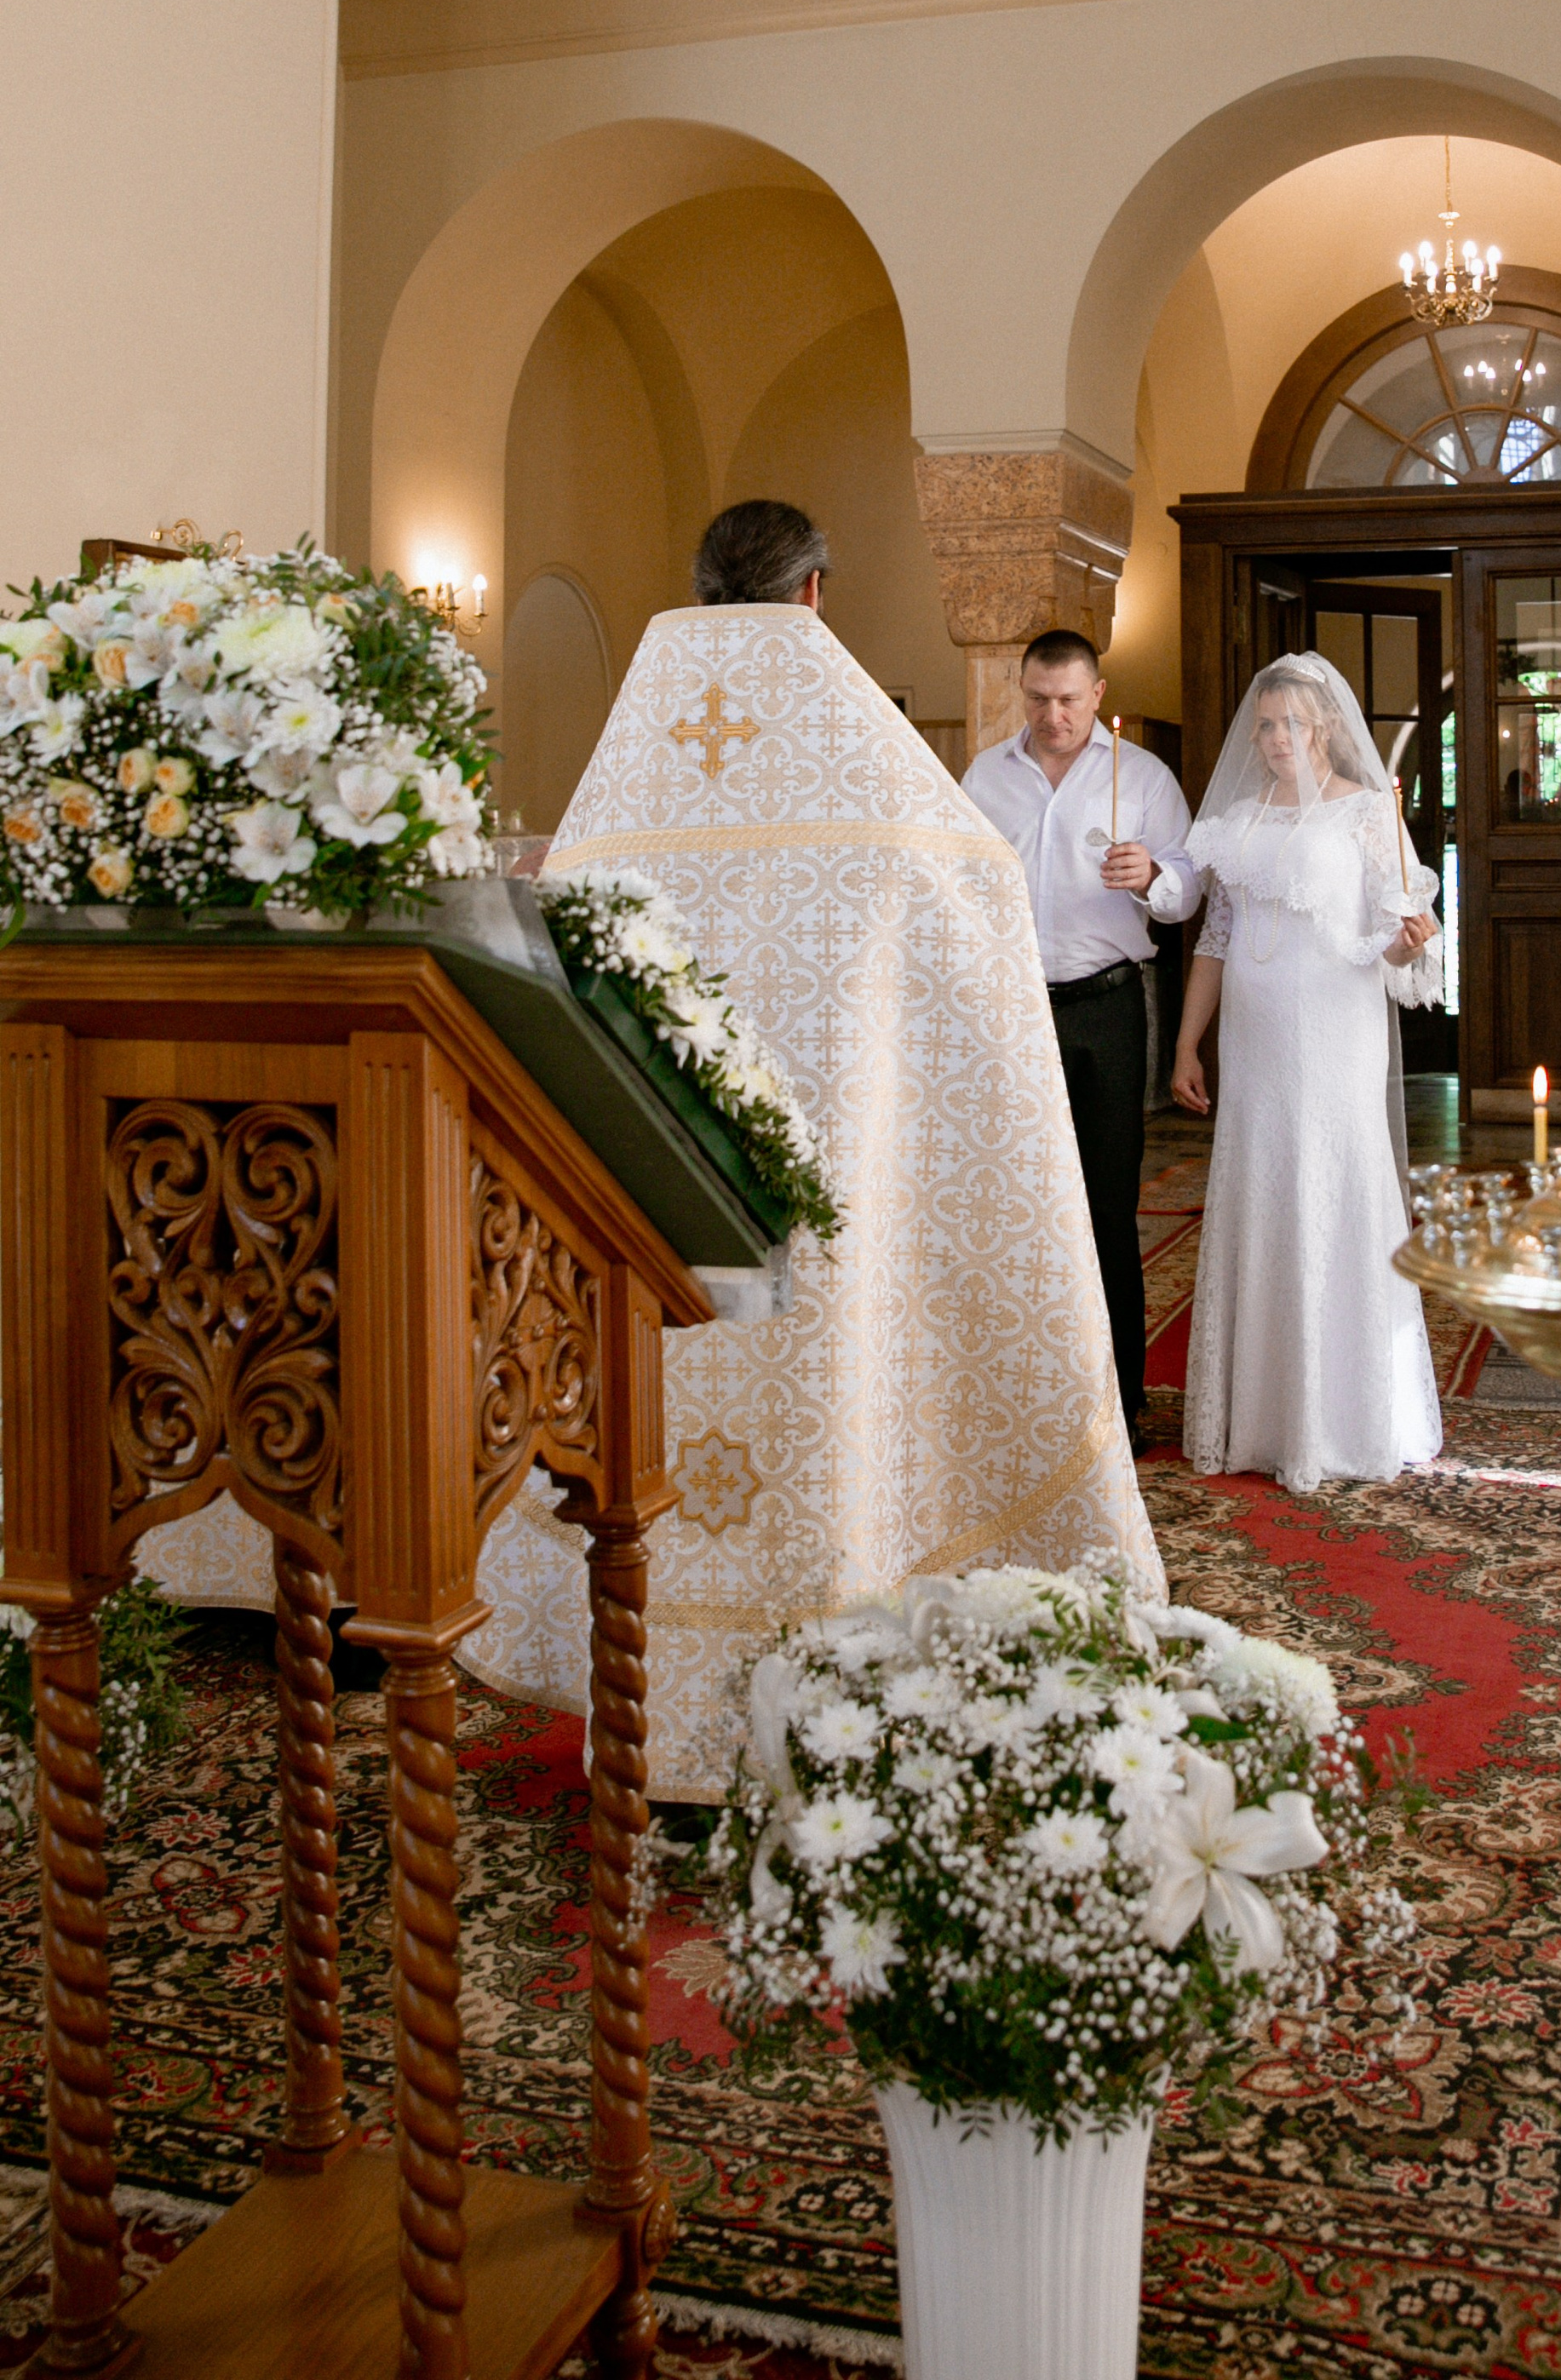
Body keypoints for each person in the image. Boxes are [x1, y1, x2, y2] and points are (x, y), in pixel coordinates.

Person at [462, 500, 1162, 1796]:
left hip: (669, 1190)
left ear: (701, 586)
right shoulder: (861, 753)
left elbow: (566, 910)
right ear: (817, 595)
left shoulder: (642, 751)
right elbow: (975, 888)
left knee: (664, 1426)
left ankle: (662, 1715)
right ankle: (842, 1703)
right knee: (844, 1410)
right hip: (835, 1185)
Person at [1171, 653, 1444, 1494]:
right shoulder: (1241, 821)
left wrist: (1409, 942)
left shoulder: (1365, 813)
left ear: (1323, 728)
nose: (1278, 737)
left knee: (1337, 1189)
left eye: (1292, 723)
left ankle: (1349, 1416)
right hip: (1255, 1043)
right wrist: (1188, 1043)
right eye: (1265, 724)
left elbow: (1411, 923)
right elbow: (1214, 940)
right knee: (1264, 1188)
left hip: (1337, 1032)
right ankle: (1261, 1415)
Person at [962, 631, 1200, 1444]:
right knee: (1015, 1206)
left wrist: (1155, 878)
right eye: (1037, 699)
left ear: (1097, 694)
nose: (1052, 715)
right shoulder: (984, 777)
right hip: (1010, 1011)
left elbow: (1190, 887)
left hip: (1106, 1008)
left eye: (1067, 699)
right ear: (1020, 692)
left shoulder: (1144, 777)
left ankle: (1119, 1408)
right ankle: (1021, 1402)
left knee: (1105, 1206)